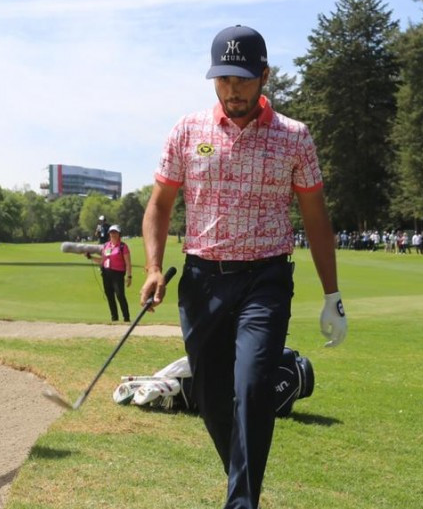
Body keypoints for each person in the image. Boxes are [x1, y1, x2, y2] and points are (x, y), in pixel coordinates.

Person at [139, 25, 347, 509]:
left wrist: (332, 293)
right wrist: (152, 267)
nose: (232, 90)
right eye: (223, 79)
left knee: (253, 387)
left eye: (243, 79)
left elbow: (316, 217)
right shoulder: (187, 131)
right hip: (202, 282)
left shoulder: (294, 137)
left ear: (264, 75)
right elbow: (159, 205)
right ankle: (242, 487)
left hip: (265, 280)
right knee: (212, 399)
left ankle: (241, 504)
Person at [87, 224, 132, 322]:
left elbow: (128, 263)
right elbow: (102, 261)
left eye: (115, 232)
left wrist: (129, 276)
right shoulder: (106, 246)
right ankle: (114, 318)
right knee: (109, 295)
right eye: (111, 232)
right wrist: (91, 257)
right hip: (106, 273)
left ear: (119, 234)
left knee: (120, 295)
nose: (113, 234)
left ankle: (126, 317)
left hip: (118, 274)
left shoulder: (123, 246)